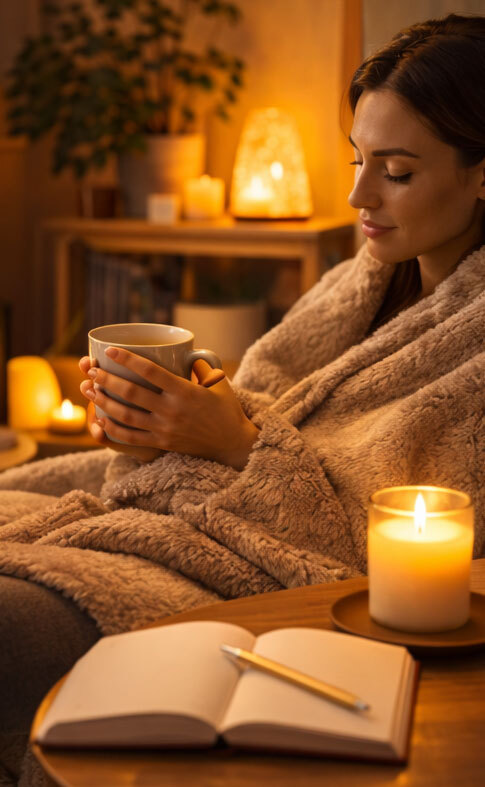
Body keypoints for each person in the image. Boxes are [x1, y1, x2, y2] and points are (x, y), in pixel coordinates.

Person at [0, 12, 484, 785]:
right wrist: (158, 424)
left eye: (395, 171)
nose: (358, 193)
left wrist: (233, 445)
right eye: (357, 158)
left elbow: (378, 555)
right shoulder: (360, 283)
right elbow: (262, 403)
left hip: (254, 579)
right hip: (190, 515)